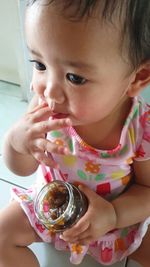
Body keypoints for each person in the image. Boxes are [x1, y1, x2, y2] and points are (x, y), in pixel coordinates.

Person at [0, 0, 150, 266]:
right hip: (49, 206)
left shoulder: (141, 128)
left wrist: (114, 214)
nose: (49, 91)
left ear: (137, 77)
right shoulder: (43, 107)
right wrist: (16, 143)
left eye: (75, 78)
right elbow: (21, 169)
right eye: (39, 64)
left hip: (114, 219)